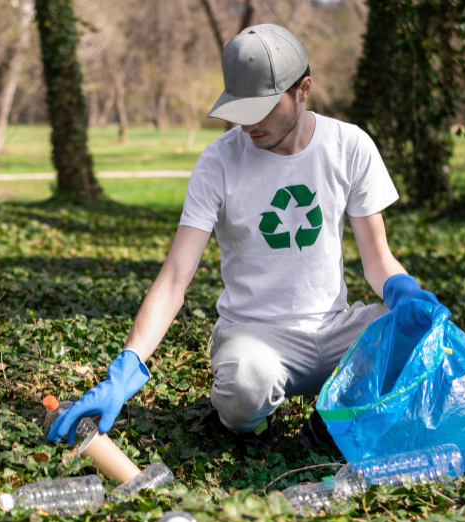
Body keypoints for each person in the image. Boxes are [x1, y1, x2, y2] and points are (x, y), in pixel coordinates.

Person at [48, 24, 441, 449]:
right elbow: (176, 276)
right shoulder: (218, 162)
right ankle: (251, 424)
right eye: (240, 108)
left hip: (334, 329)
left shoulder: (349, 146)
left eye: (262, 107)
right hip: (254, 337)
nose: (248, 123)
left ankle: (327, 424)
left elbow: (377, 258)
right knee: (244, 388)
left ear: (302, 89)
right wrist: (124, 369)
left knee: (411, 336)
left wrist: (405, 292)